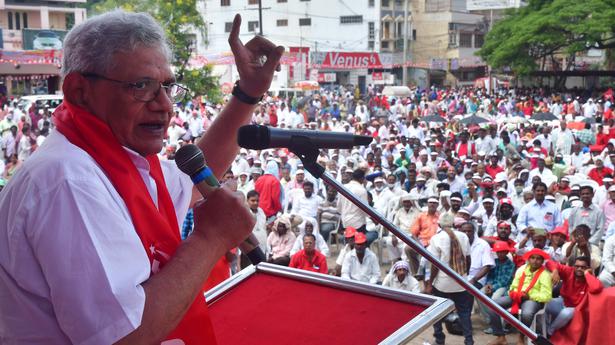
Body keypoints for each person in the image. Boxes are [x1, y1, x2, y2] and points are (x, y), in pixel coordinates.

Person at [0, 10, 284, 344]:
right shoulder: (68, 182)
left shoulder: (116, 162)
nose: (164, 105)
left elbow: (193, 179)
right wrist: (210, 240)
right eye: (142, 86)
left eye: (166, 86)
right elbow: (124, 336)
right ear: (79, 91)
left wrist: (248, 93)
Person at [486, 248, 552, 345]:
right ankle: (500, 336)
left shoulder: (545, 274)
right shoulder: (522, 269)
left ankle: (521, 337)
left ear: (542, 261)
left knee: (527, 314)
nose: (535, 261)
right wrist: (514, 293)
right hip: (517, 296)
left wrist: (529, 296)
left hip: (532, 300)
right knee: (492, 305)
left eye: (538, 259)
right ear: (528, 259)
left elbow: (546, 296)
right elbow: (513, 286)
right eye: (532, 258)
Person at [425, 216, 473, 345]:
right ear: (453, 224)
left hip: (443, 283)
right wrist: (464, 275)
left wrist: (430, 283)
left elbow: (435, 265)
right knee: (464, 312)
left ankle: (439, 338)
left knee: (437, 312)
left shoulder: (436, 238)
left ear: (439, 225)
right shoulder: (463, 236)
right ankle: (469, 340)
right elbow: (468, 259)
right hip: (460, 282)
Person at [545, 256, 603, 336]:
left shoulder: (590, 278)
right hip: (562, 302)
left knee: (566, 313)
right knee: (545, 303)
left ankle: (549, 332)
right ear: (573, 266)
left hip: (577, 310)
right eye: (577, 266)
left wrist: (587, 274)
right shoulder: (569, 271)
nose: (579, 269)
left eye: (583, 267)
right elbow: (548, 263)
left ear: (588, 268)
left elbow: (597, 287)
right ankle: (543, 329)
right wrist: (555, 271)